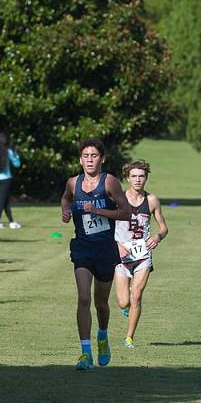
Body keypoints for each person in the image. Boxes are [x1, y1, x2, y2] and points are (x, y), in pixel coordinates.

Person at [61, 139, 131, 370]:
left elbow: (126, 213)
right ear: (80, 159)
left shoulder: (109, 182)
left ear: (102, 159)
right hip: (82, 248)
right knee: (83, 298)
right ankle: (85, 353)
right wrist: (66, 211)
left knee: (101, 304)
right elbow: (65, 198)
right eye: (86, 156)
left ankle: (102, 336)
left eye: (94, 156)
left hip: (104, 249)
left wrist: (97, 210)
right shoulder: (73, 183)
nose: (89, 160)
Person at [114, 160, 168, 349]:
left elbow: (163, 227)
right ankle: (127, 307)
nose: (137, 180)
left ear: (146, 178)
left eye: (141, 176)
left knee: (136, 296)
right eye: (134, 176)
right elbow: (106, 226)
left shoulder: (151, 200)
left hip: (143, 255)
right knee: (123, 303)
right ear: (128, 178)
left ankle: (129, 337)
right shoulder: (118, 198)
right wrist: (117, 244)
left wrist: (158, 236)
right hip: (121, 256)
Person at [0, 132, 21, 229]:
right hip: (5, 178)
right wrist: (16, 155)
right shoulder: (8, 151)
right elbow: (17, 164)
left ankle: (11, 221)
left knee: (5, 200)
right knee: (1, 201)